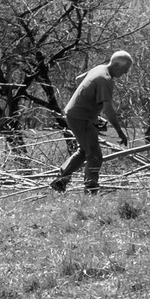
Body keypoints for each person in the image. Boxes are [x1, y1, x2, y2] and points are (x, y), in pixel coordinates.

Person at [51, 50, 133, 194]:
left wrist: (86, 100)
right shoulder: (105, 79)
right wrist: (120, 132)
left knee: (84, 150)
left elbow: (78, 79)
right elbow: (108, 109)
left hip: (77, 114)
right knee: (95, 155)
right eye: (125, 70)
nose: (125, 74)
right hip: (82, 117)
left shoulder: (99, 69)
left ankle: (60, 181)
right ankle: (91, 189)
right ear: (117, 65)